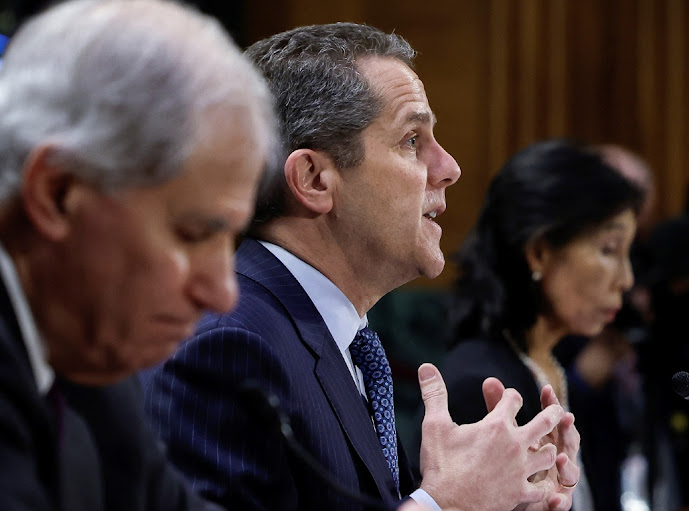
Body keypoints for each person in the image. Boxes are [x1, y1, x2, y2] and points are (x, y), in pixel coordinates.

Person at [143, 23, 581, 511]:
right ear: (313, 179)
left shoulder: (340, 339)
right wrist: (447, 505)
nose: (449, 167)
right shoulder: (230, 346)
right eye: (413, 140)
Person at [0, 1, 275, 510]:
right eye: (193, 234)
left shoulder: (91, 355)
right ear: (58, 192)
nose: (222, 293)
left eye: (231, 240)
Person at [440, 139, 644, 511]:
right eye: (609, 250)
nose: (626, 280)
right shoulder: (480, 387)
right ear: (539, 252)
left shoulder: (553, 365)